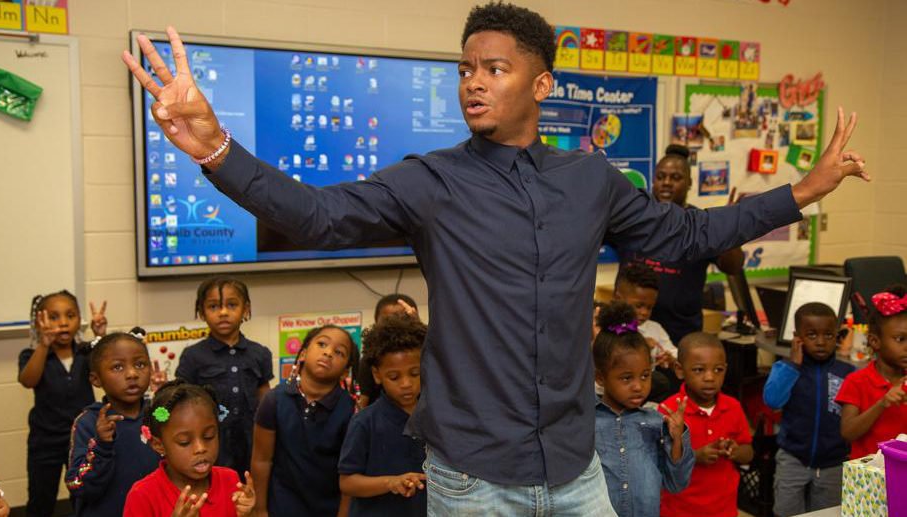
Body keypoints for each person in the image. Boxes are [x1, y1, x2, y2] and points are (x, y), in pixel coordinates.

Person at [122, 1, 866, 511]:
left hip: (577, 468)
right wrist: (217, 149)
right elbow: (318, 215)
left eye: (493, 68)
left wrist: (802, 188)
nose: (472, 80)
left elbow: (690, 234)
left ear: (540, 84)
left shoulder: (589, 179)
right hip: (472, 475)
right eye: (465, 67)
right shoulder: (431, 180)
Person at [620, 144, 745, 345]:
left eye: (675, 178)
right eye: (661, 177)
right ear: (653, 180)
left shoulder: (700, 224)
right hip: (628, 335)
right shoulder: (635, 219)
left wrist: (729, 231)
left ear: (689, 183)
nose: (666, 183)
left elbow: (733, 266)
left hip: (680, 337)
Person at [592, 302, 693, 517]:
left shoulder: (656, 423)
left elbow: (676, 484)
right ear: (600, 377)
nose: (639, 386)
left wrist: (677, 439)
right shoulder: (585, 420)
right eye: (626, 378)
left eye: (645, 375)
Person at [251, 325, 360, 517]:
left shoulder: (351, 411)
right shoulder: (274, 400)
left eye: (339, 352)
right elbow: (261, 460)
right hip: (281, 508)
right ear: (302, 354)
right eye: (322, 344)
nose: (328, 353)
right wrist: (259, 510)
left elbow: (349, 476)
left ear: (345, 372)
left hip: (328, 509)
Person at [175, 277, 273, 479]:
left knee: (250, 487)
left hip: (252, 439)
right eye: (213, 306)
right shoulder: (193, 356)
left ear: (246, 309)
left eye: (232, 305)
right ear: (201, 312)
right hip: (211, 441)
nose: (223, 313)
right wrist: (160, 416)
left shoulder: (260, 353)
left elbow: (265, 395)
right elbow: (178, 398)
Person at [17, 292, 106, 517]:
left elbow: (107, 366)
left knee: (84, 493)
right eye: (54, 317)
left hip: (82, 439)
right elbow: (28, 380)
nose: (64, 322)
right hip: (45, 440)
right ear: (40, 322)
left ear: (79, 319)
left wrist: (100, 336)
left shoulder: (87, 352)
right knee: (41, 496)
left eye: (70, 315)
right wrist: (43, 345)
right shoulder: (32, 354)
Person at [762, 303, 854, 516]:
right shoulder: (786, 368)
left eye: (828, 335)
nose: (821, 342)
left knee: (828, 513)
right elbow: (773, 401)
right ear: (797, 337)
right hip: (793, 458)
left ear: (838, 336)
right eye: (812, 335)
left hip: (834, 463)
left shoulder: (847, 373)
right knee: (786, 511)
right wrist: (793, 365)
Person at [123, 379, 256, 516]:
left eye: (209, 436)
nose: (200, 448)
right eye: (184, 442)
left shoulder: (230, 479)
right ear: (159, 445)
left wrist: (250, 513)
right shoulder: (143, 496)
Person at [66, 328, 162, 515]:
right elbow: (78, 485)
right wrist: (101, 446)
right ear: (96, 379)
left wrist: (171, 401)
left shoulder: (159, 413)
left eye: (141, 364)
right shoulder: (88, 423)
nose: (132, 374)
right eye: (118, 367)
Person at [340, 313, 427, 516]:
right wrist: (391, 482)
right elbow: (347, 482)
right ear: (377, 375)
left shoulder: (438, 417)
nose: (406, 384)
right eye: (394, 377)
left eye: (415, 373)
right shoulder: (365, 422)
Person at [659, 332, 754, 517]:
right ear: (679, 370)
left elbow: (748, 454)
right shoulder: (669, 410)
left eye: (718, 370)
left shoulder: (732, 407)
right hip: (679, 510)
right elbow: (659, 463)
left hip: (723, 509)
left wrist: (734, 450)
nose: (710, 377)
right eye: (699, 370)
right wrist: (694, 456)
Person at [836, 285, 907, 459]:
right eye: (900, 339)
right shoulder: (856, 381)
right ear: (874, 341)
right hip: (868, 480)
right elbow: (848, 432)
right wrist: (882, 403)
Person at [614, 262, 677, 400]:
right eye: (638, 306)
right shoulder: (608, 326)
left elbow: (672, 351)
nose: (644, 312)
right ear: (619, 299)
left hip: (644, 393)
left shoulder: (654, 328)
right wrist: (640, 345)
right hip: (610, 392)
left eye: (649, 307)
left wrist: (671, 358)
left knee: (661, 382)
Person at [356, 294, 419, 409]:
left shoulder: (424, 352)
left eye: (403, 318)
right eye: (388, 321)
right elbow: (362, 403)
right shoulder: (369, 360)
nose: (395, 325)